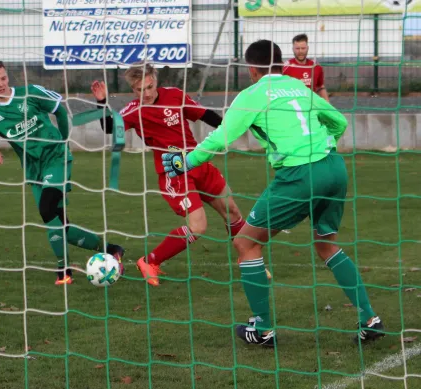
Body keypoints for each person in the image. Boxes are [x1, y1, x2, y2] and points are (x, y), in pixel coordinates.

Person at [162, 40, 384, 347]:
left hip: (299, 174)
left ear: (251, 68)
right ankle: (369, 319)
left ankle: (263, 330)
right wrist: (322, 144)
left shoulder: (252, 95)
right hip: (334, 167)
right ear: (280, 63)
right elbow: (340, 121)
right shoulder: (298, 87)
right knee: (326, 245)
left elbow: (221, 137)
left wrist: (186, 162)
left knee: (246, 241)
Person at [0, 59, 125, 285]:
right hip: (33, 169)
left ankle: (64, 270)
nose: (0, 84)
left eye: (3, 78)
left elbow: (59, 111)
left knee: (47, 207)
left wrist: (62, 141)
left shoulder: (30, 93)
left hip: (56, 157)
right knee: (58, 224)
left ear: (7, 77)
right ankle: (112, 249)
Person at [91, 62, 246, 287]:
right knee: (198, 226)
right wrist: (102, 102)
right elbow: (108, 127)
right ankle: (149, 261)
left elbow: (205, 114)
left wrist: (229, 129)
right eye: (139, 90)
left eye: (149, 87)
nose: (146, 93)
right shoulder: (134, 110)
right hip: (173, 172)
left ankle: (247, 260)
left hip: (198, 161)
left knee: (232, 211)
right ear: (132, 90)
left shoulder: (174, 95)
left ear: (156, 81)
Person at [283, 34, 330, 102]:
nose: (300, 51)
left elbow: (320, 87)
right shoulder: (285, 67)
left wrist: (328, 105)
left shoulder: (316, 67)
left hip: (311, 106)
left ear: (307, 48)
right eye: (297, 48)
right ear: (293, 49)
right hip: (293, 106)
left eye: (303, 48)